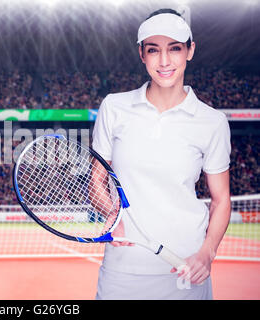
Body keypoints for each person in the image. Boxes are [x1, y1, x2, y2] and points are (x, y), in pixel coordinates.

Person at [92, 9, 231, 299]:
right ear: (142, 54)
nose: (164, 61)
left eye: (175, 48)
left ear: (190, 51)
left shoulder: (212, 122)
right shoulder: (114, 107)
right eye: (154, 50)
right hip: (122, 270)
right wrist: (112, 215)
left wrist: (207, 253)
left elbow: (221, 200)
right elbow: (97, 179)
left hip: (184, 270)